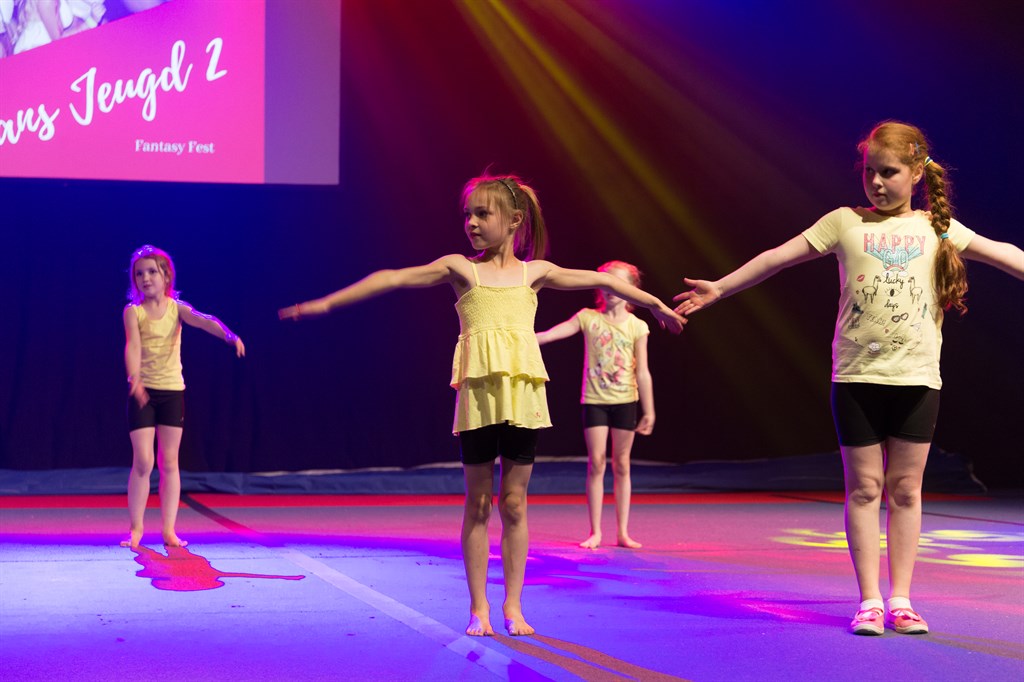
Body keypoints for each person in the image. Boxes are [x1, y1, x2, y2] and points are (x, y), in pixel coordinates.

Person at [279, 174, 685, 637]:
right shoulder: (461, 269)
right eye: (467, 215)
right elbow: (392, 277)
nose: (471, 223)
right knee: (477, 503)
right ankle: (479, 607)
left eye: (482, 214)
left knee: (514, 504)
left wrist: (656, 306)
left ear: (514, 220)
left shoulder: (535, 273)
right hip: (478, 397)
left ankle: (513, 605)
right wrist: (327, 304)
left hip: (522, 395)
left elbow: (601, 279)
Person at [674, 121, 1024, 636]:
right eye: (869, 172)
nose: (876, 182)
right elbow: (776, 258)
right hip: (857, 378)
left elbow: (1004, 251)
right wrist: (720, 288)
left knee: (905, 490)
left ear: (916, 173)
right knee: (864, 489)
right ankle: (870, 601)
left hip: (916, 379)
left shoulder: (937, 227)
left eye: (889, 172)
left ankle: (901, 599)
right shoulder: (844, 222)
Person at [122, 245, 245, 549]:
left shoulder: (177, 309)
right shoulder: (133, 312)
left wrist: (229, 335)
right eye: (139, 274)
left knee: (169, 461)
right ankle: (136, 528)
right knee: (143, 460)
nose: (146, 278)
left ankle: (168, 530)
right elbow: (132, 346)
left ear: (166, 276)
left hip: (172, 392)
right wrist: (135, 379)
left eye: (152, 272)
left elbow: (205, 320)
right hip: (143, 393)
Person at [536, 260, 653, 549]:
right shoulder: (588, 317)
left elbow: (643, 371)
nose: (611, 289)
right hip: (595, 400)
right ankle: (595, 531)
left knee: (622, 464)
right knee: (597, 463)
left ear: (632, 289)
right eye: (606, 282)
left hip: (625, 400)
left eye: (619, 283)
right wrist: (531, 338)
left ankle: (623, 531)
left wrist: (649, 410)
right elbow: (555, 332)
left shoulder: (637, 326)